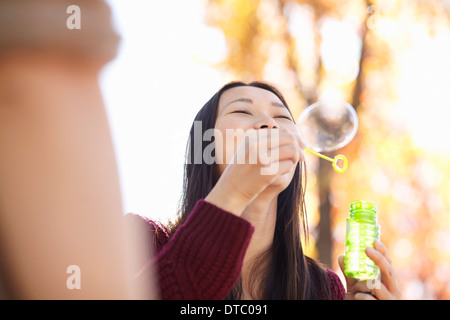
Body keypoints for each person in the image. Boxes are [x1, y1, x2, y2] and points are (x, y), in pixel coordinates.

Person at [128, 81, 400, 300]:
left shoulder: (323, 289)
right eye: (242, 112)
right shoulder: (141, 242)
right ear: (205, 148)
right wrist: (234, 190)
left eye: (282, 117)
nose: (269, 125)